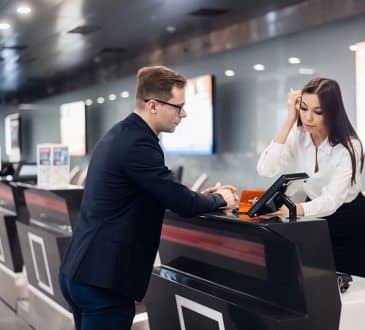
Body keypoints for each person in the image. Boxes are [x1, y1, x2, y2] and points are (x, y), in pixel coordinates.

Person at [59, 65, 238, 330]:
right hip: (103, 282)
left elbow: (161, 191)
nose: (184, 113)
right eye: (178, 106)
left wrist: (202, 196)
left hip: (83, 272)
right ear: (153, 105)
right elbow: (183, 203)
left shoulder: (122, 133)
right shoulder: (138, 144)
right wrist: (222, 198)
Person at [257, 77, 365, 276]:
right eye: (303, 108)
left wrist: (292, 209)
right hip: (312, 214)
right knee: (315, 283)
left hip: (349, 218)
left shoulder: (350, 147)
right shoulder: (299, 135)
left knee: (353, 288)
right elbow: (265, 168)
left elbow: (332, 201)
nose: (308, 118)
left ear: (332, 112)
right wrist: (290, 118)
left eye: (318, 112)